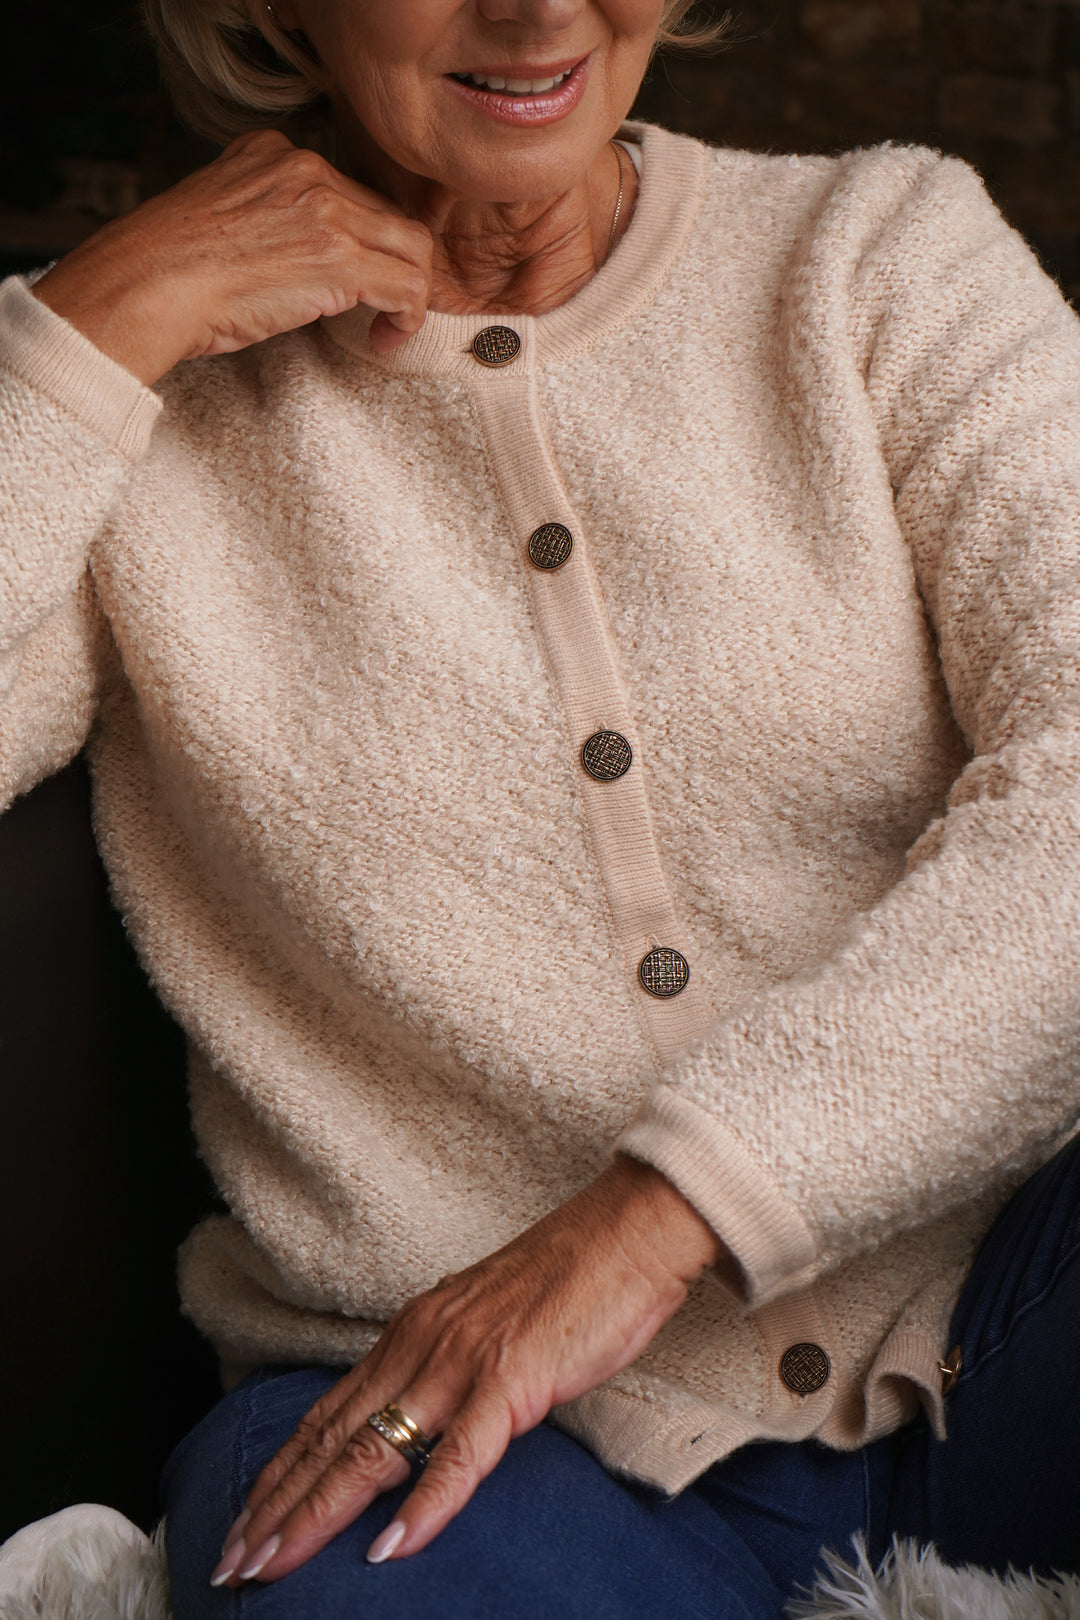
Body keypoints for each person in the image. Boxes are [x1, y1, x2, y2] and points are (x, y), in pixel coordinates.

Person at [2, 0, 1079, 1614]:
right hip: (464, 1448)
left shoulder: (880, 254)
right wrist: (93, 325)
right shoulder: (134, 405)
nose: (537, 10)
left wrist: (659, 1222)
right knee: (315, 1567)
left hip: (1009, 1325)